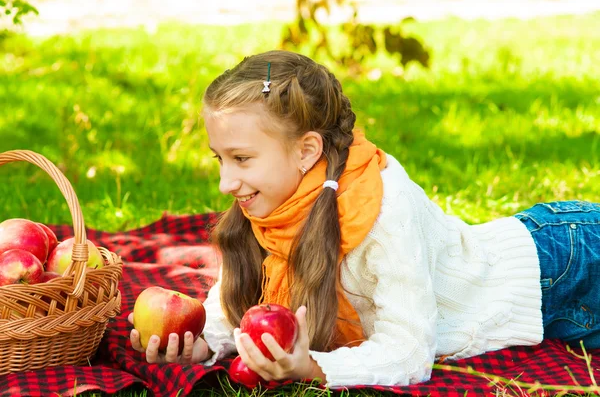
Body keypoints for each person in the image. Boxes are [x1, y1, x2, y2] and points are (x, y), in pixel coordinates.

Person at [128, 50, 600, 388]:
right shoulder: (271, 199)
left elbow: (409, 352)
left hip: (567, 264)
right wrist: (204, 344)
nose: (226, 182)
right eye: (219, 159)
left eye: (241, 158)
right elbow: (235, 299)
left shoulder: (380, 206)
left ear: (307, 150)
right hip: (558, 301)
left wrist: (311, 367)